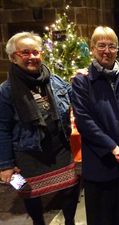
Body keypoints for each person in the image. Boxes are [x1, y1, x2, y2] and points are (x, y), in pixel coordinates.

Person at [0, 32, 79, 225]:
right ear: (13, 57)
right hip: (27, 154)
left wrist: (83, 78)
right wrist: (6, 165)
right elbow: (2, 129)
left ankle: (70, 221)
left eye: (35, 51)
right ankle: (38, 223)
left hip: (59, 147)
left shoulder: (56, 81)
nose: (32, 57)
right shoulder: (6, 90)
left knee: (71, 187)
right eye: (25, 52)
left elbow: (78, 98)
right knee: (28, 192)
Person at [71, 26, 119, 225]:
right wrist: (112, 148)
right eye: (101, 45)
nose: (107, 50)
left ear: (117, 49)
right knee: (104, 218)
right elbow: (84, 121)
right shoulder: (82, 81)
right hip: (102, 164)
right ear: (92, 48)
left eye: (111, 46)